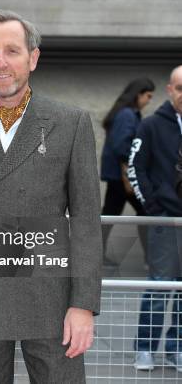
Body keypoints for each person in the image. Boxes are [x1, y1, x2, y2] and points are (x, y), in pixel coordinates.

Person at [0, 10, 102, 383]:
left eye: (12, 51)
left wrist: (82, 305)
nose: (1, 62)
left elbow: (85, 220)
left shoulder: (71, 122)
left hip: (51, 299)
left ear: (33, 58)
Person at [128, 65, 182, 372]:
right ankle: (145, 347)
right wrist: (154, 209)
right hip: (164, 222)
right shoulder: (150, 126)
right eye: (180, 88)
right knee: (160, 287)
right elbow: (136, 167)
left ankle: (177, 347)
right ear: (170, 89)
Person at [100, 78, 154, 265]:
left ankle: (94, 256)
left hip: (118, 175)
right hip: (122, 175)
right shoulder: (127, 115)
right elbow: (122, 146)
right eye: (148, 96)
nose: (149, 101)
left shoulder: (125, 114)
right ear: (138, 94)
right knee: (146, 212)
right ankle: (151, 258)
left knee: (109, 214)